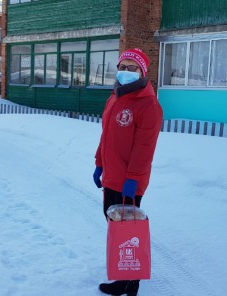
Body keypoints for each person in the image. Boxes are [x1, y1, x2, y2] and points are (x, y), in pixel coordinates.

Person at [93, 48, 163, 296]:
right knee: (114, 223)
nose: (124, 71)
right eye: (122, 66)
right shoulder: (115, 97)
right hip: (111, 175)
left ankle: (130, 283)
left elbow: (144, 149)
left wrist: (133, 180)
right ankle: (124, 273)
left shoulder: (148, 105)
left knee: (128, 231)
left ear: (142, 72)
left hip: (129, 180)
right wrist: (99, 162)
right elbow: (107, 136)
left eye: (131, 67)